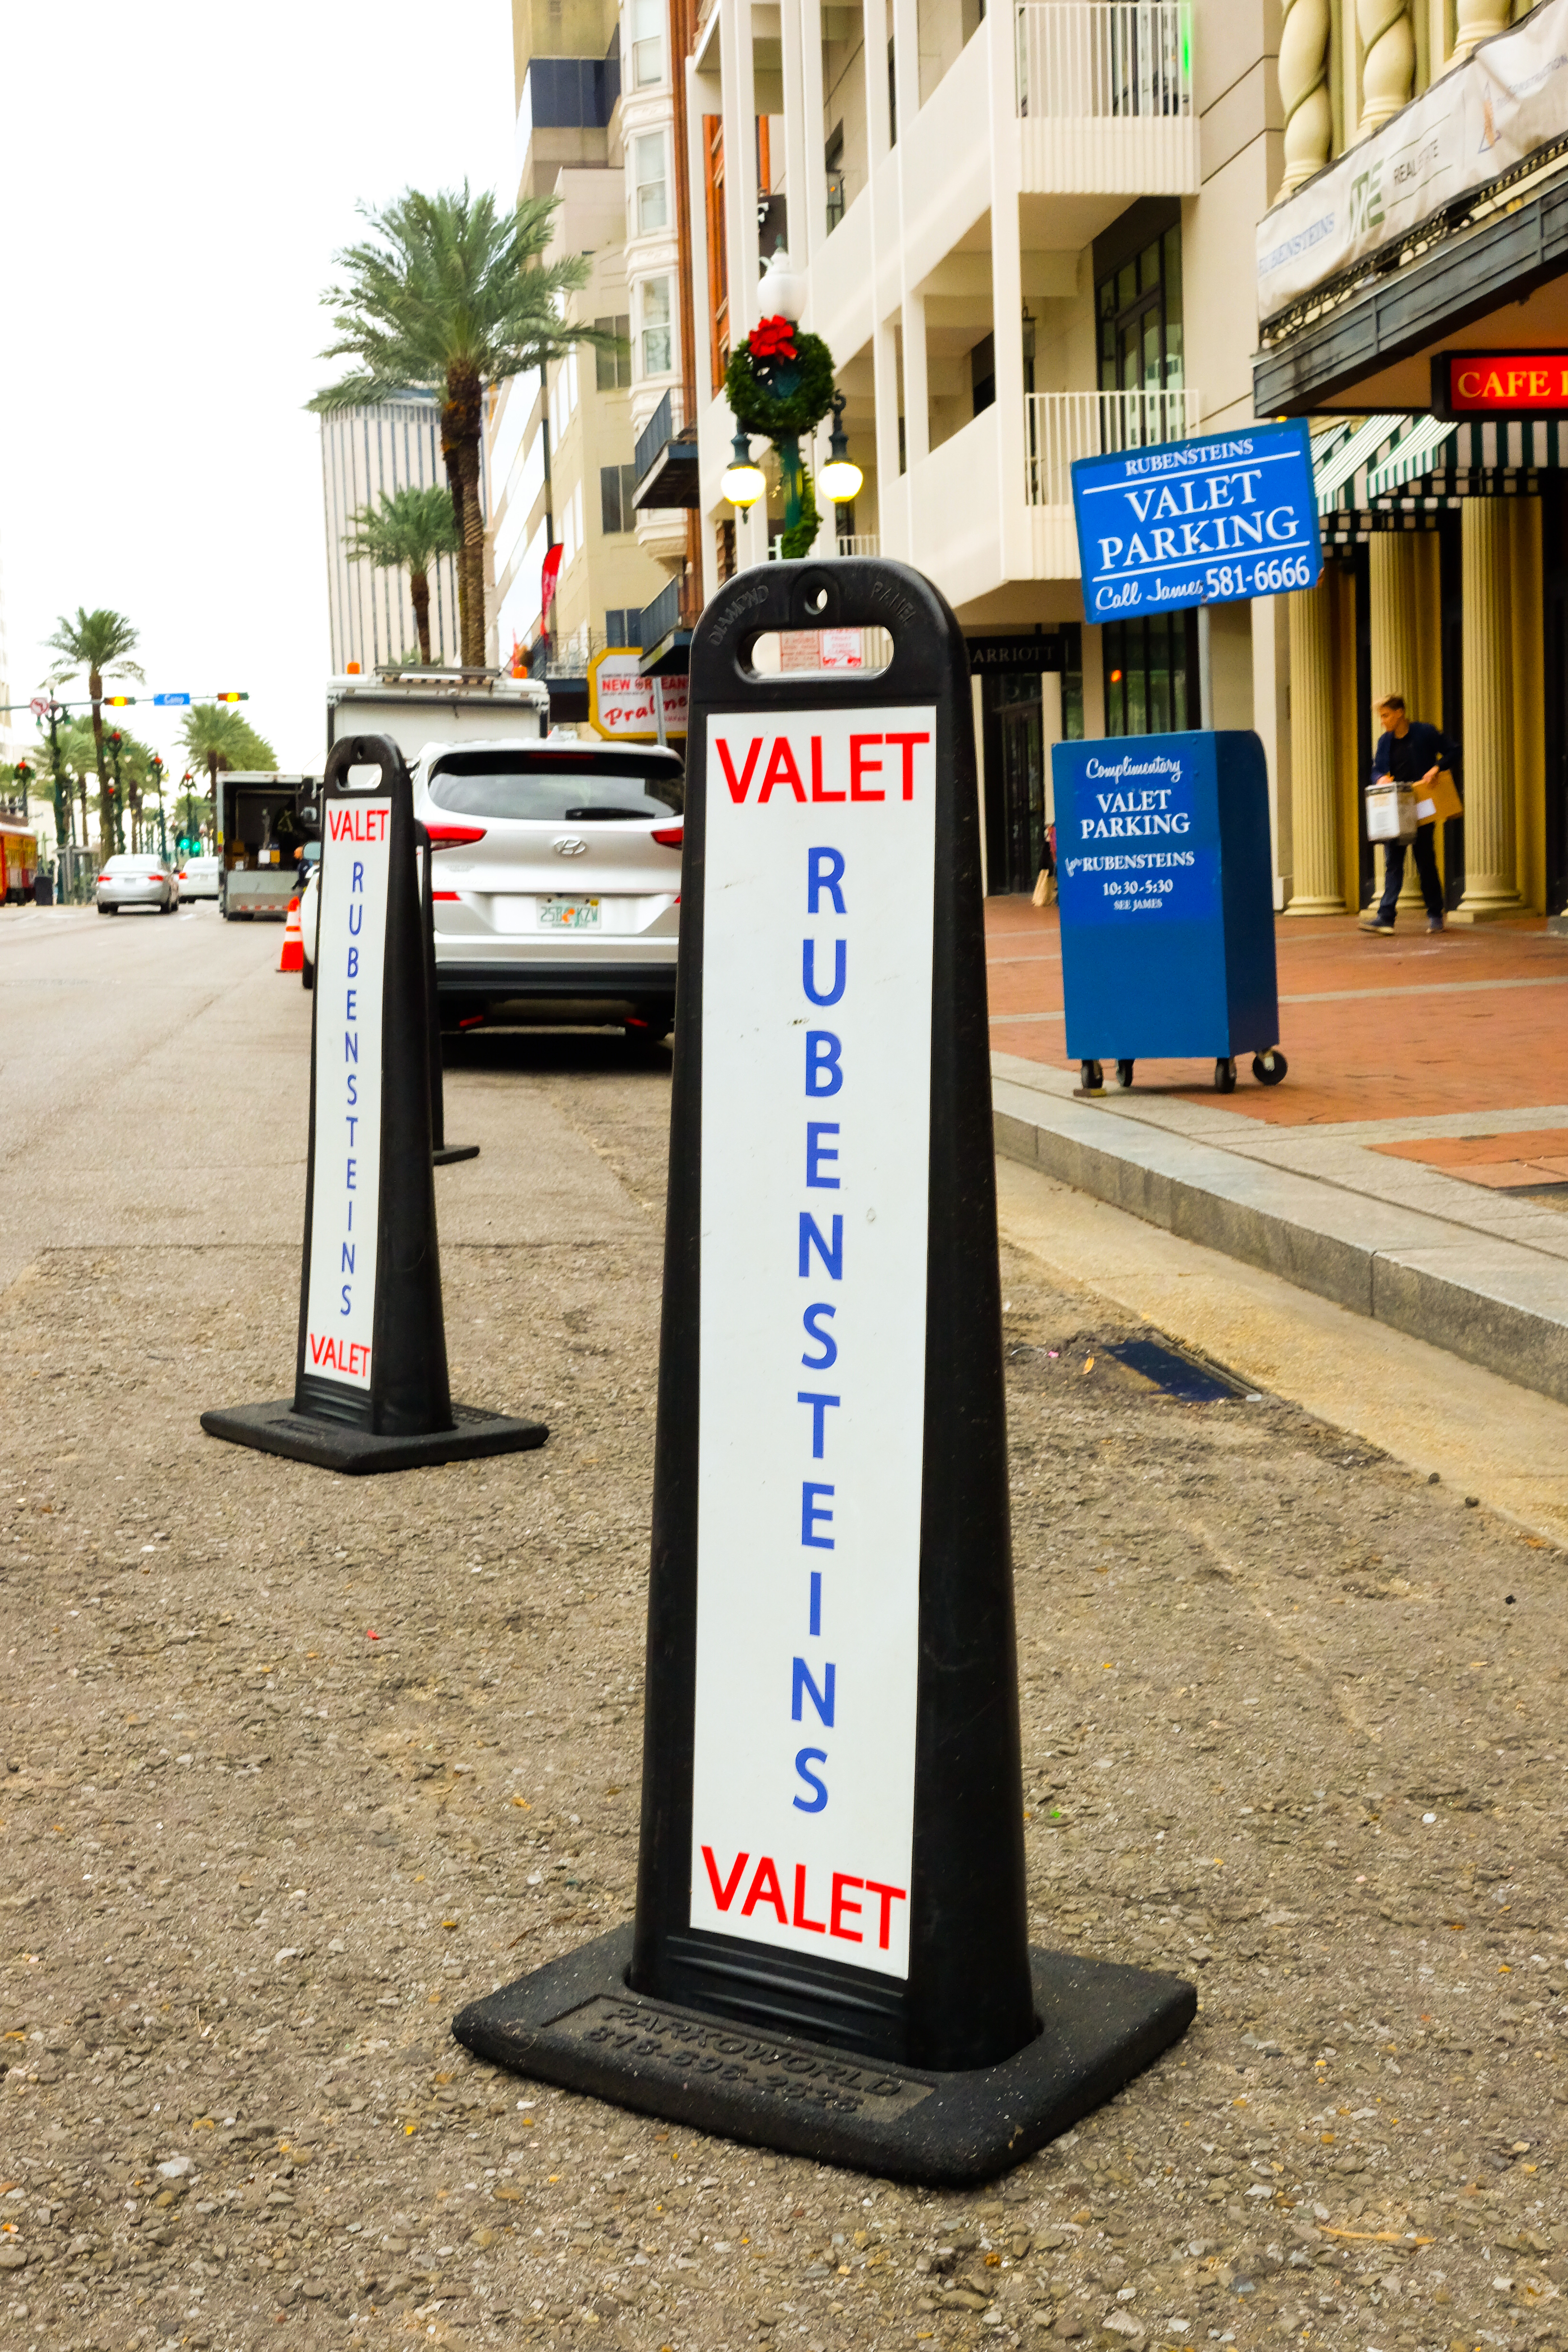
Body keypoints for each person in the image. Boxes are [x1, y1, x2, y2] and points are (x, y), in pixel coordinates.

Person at [1360, 696, 1458, 935]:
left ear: (1400, 712)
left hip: (1423, 803)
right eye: (1381, 717)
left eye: (1386, 716)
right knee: (1393, 862)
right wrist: (1379, 778)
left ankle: (1436, 915)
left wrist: (1437, 768)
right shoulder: (1385, 742)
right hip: (1396, 806)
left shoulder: (1424, 732)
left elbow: (1454, 751)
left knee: (1425, 861)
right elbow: (1376, 769)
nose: (1383, 722)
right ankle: (1386, 918)